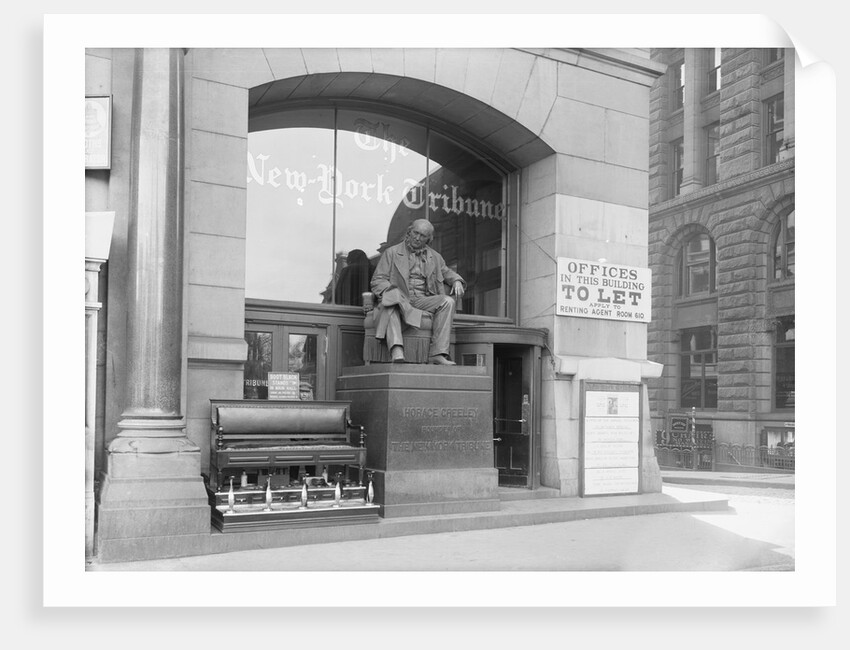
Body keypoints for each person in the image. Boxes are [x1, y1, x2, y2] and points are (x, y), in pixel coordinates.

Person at [370, 219, 465, 365]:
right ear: (409, 232)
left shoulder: (435, 257)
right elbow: (378, 280)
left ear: (429, 239)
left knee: (448, 301)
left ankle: (437, 354)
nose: (417, 238)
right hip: (400, 297)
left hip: (423, 299)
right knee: (391, 303)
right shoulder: (392, 252)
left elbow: (447, 272)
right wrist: (391, 291)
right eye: (415, 233)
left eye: (423, 235)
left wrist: (457, 280)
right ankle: (397, 352)